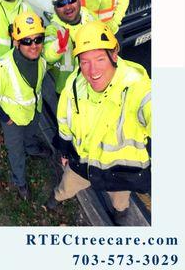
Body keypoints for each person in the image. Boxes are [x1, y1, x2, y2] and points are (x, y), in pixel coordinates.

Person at [46, 21, 151, 225]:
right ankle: (57, 197)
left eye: (100, 58)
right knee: (66, 187)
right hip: (83, 164)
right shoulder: (75, 84)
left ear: (114, 55)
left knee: (120, 200)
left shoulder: (136, 87)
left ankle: (120, 212)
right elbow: (64, 119)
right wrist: (66, 151)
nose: (92, 70)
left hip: (119, 171)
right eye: (85, 61)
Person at [0, 12, 50, 200]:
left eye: (38, 39)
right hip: (13, 121)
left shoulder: (42, 60)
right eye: (27, 41)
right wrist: (7, 119)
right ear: (16, 42)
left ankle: (32, 148)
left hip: (33, 113)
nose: (34, 45)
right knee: (16, 152)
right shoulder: (0, 69)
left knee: (31, 135)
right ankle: (20, 181)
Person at [44, 0, 94, 95]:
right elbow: (47, 54)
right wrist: (58, 47)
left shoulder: (89, 16)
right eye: (61, 3)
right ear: (55, 8)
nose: (68, 7)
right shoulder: (53, 29)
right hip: (69, 90)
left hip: (95, 81)